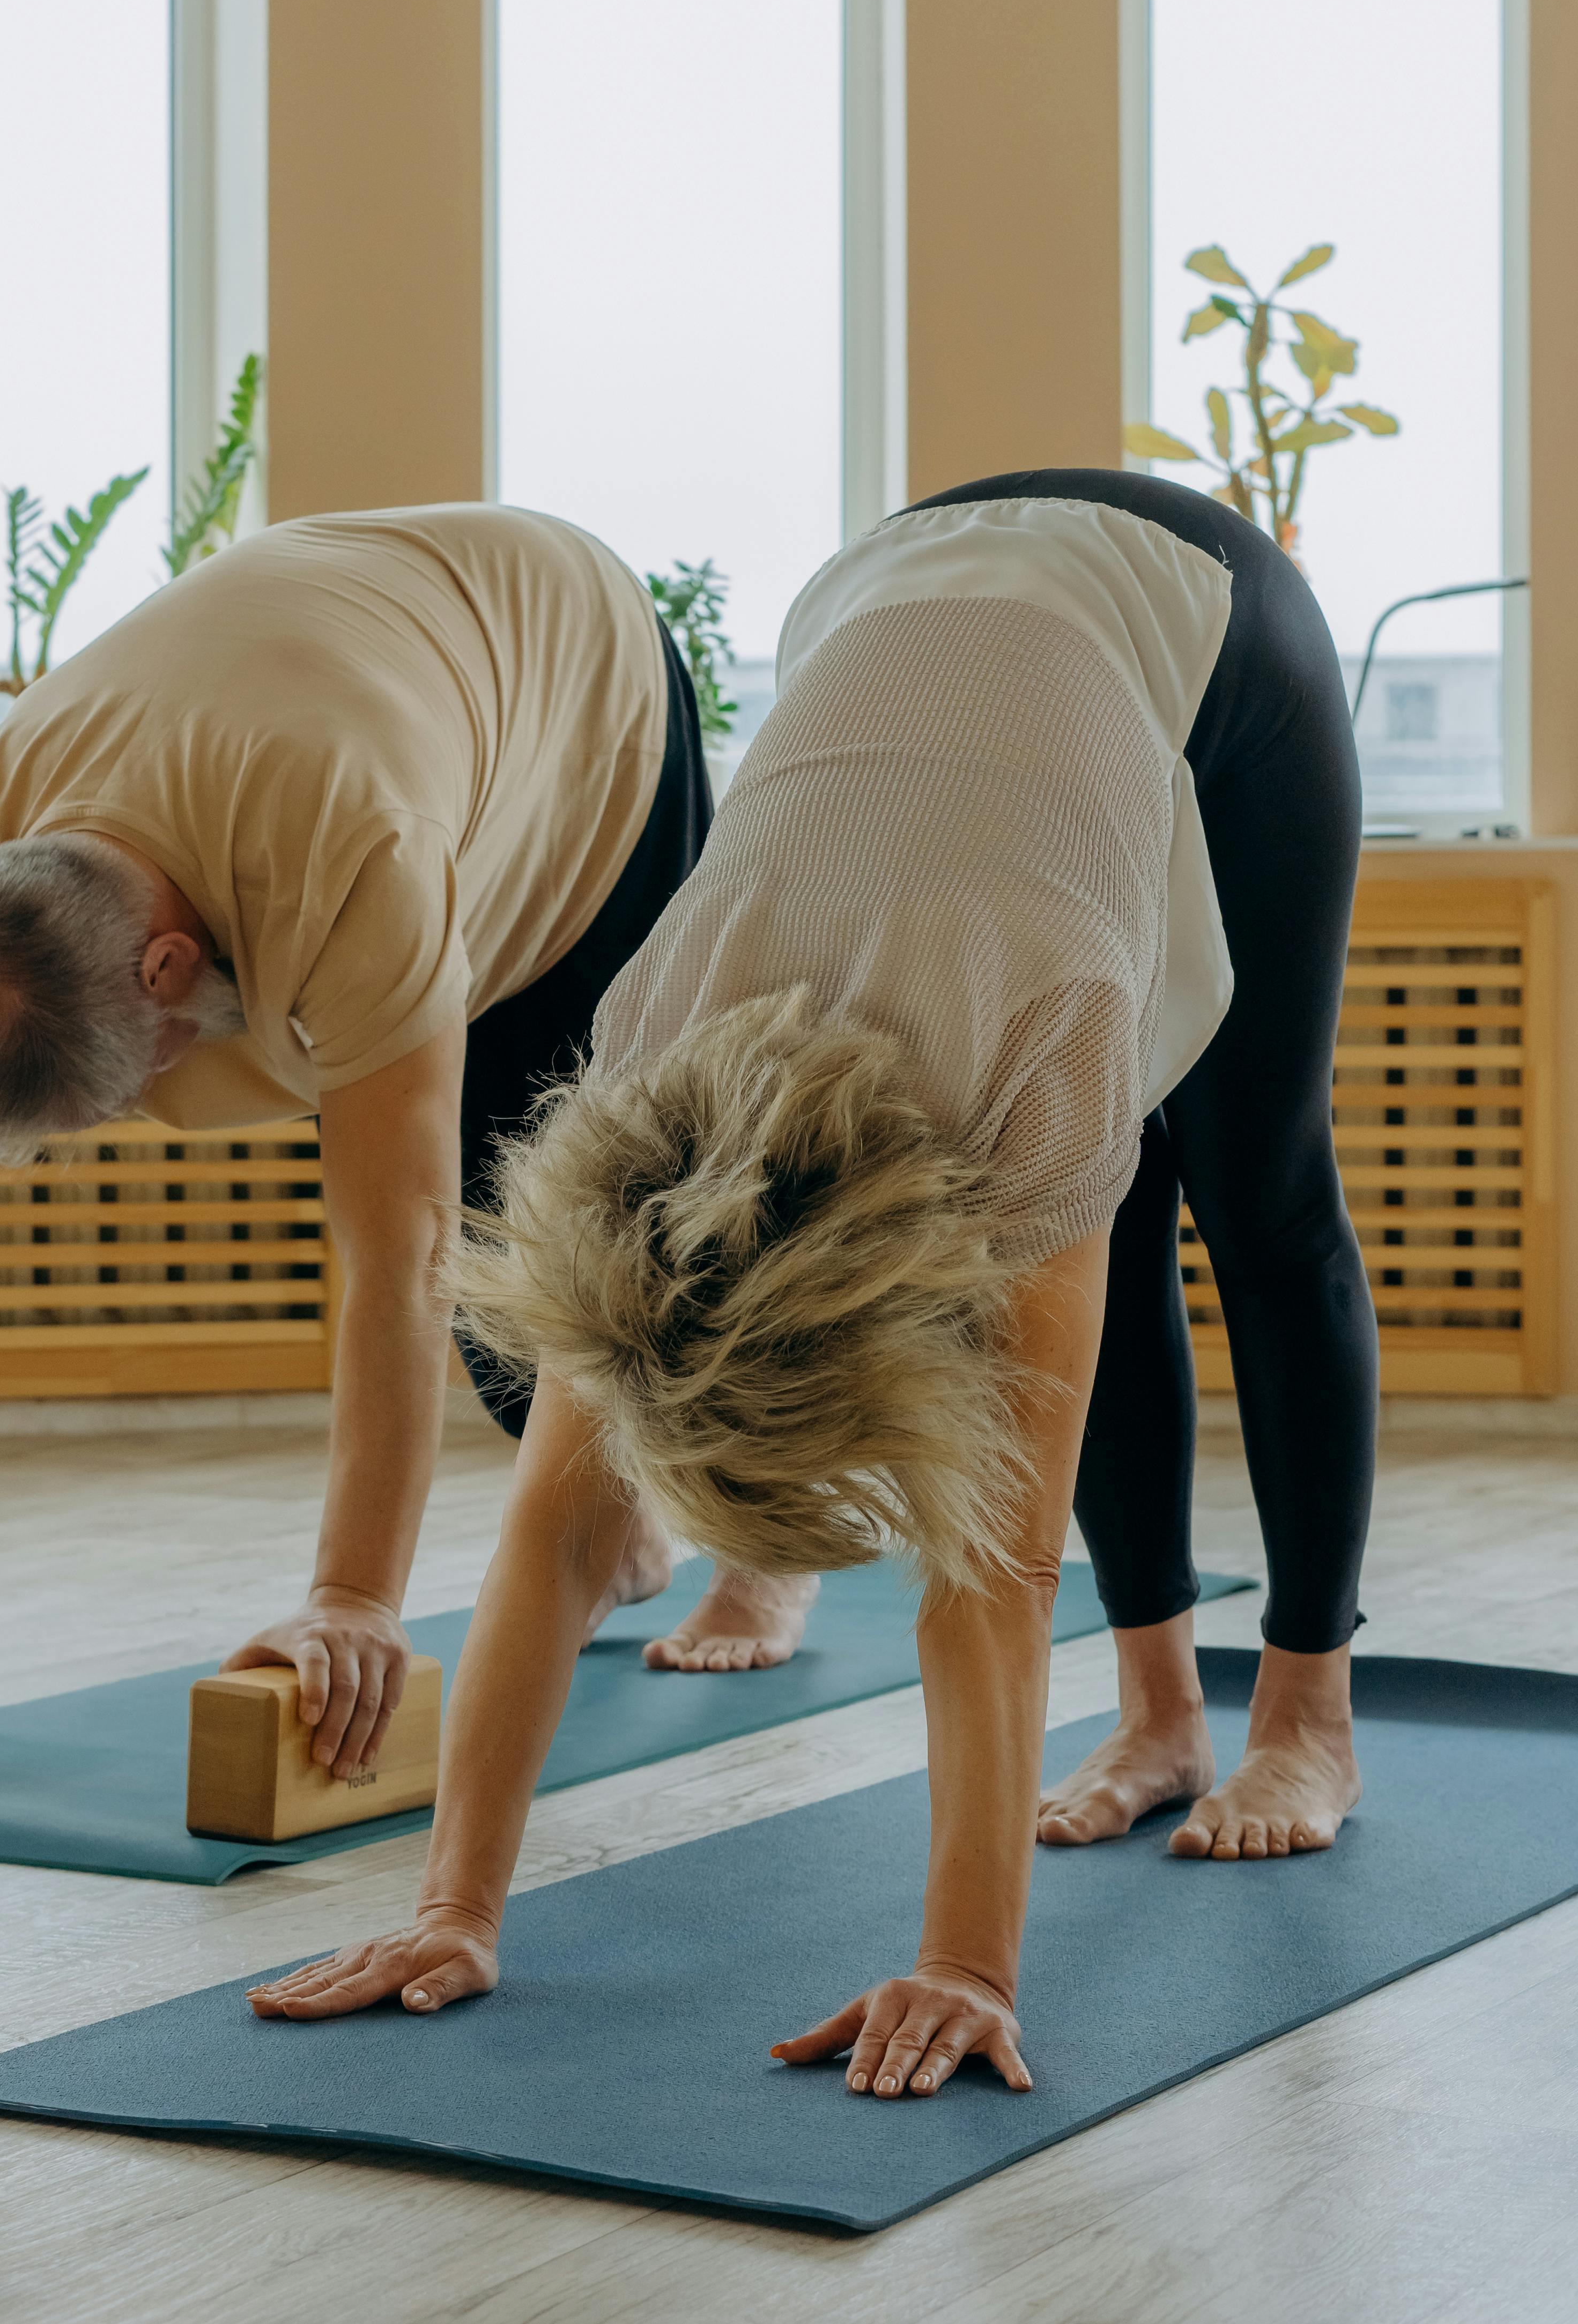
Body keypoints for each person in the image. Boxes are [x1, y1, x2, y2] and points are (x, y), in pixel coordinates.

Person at [250, 470, 1376, 2095]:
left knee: (1255, 1192)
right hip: (901, 591)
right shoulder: (637, 1099)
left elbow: (989, 1574)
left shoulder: (1036, 1046)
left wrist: (969, 1967)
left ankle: (1304, 1722)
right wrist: (454, 1909)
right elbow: (558, 1531)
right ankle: (1159, 1723)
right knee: (1099, 1232)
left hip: (1194, 620)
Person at [0, 504, 736, 1773]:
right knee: (517, 1351)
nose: (145, 1119)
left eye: (126, 1095)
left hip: (574, 698)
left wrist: (353, 1598)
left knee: (597, 1229)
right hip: (357, 683)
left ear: (166, 966)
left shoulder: (349, 850)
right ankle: (619, 1524)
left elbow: (396, 1260)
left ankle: (763, 1559)